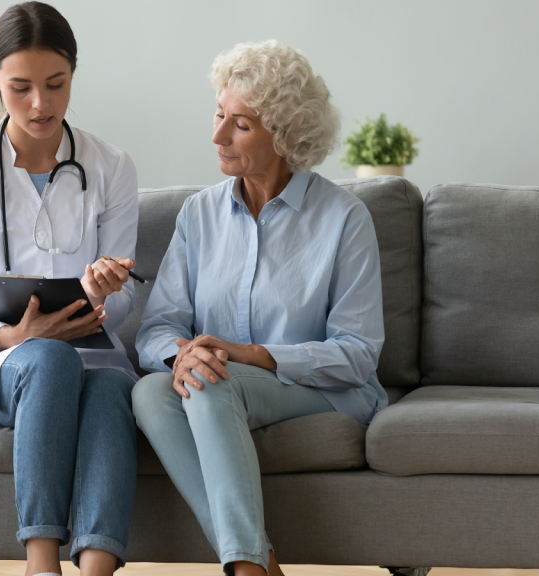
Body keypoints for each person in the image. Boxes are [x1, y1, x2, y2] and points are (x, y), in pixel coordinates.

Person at [132, 40, 388, 576]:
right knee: (150, 391)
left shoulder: (345, 219)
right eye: (219, 115)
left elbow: (359, 355)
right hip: (219, 382)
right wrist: (181, 355)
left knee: (211, 381)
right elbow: (158, 328)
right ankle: (258, 561)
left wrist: (249, 355)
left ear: (286, 135)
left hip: (323, 392)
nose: (217, 135)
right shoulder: (199, 214)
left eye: (240, 124)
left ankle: (249, 569)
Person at [0, 3, 140, 575]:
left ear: (74, 74)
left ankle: (97, 569)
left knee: (113, 388)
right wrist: (12, 334)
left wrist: (102, 293)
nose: (40, 104)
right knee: (48, 358)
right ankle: (40, 565)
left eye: (56, 84)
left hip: (91, 351)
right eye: (20, 87)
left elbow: (118, 304)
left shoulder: (112, 167)